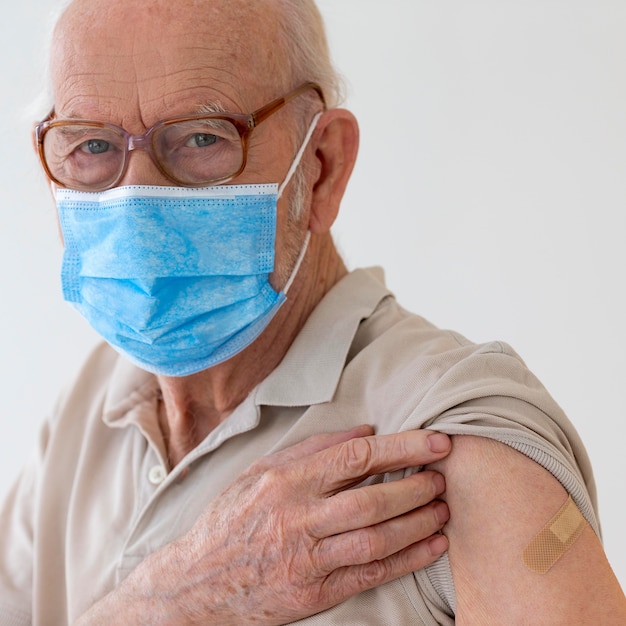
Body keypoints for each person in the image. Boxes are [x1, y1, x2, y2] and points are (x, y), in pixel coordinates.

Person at [1, 0, 624, 623]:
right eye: (90, 144)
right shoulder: (90, 410)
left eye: (201, 137)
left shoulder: (448, 439)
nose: (135, 198)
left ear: (323, 167)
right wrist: (170, 603)